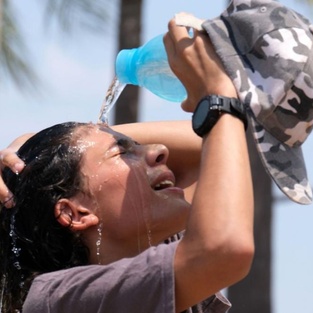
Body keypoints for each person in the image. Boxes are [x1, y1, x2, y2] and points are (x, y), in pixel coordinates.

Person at [0, 17, 254, 313]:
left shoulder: (152, 257)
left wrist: (35, 142)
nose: (160, 150)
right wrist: (219, 97)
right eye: (122, 153)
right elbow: (225, 248)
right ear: (75, 212)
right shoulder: (59, 300)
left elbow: (211, 146)